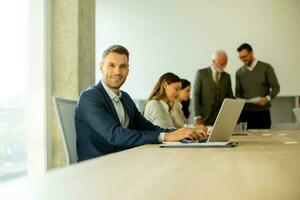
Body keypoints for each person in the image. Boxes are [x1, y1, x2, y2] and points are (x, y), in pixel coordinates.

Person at [75, 45, 207, 161]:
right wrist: (166, 136)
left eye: (123, 66)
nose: (117, 71)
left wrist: (185, 132)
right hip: (99, 166)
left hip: (124, 159)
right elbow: (115, 135)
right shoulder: (90, 97)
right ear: (101, 67)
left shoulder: (125, 98)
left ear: (128, 70)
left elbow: (150, 128)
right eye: (111, 65)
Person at [235, 43, 280, 129]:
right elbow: (238, 93)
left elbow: (276, 88)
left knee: (264, 139)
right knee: (247, 141)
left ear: (251, 53)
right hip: (246, 113)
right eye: (241, 58)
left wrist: (267, 99)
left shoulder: (266, 68)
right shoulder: (239, 72)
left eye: (245, 56)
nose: (243, 59)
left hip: (262, 112)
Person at [193, 50, 234, 126]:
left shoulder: (227, 76)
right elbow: (196, 95)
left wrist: (232, 114)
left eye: (225, 63)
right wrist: (197, 116)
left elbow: (230, 96)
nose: (224, 66)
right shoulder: (201, 73)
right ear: (213, 61)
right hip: (204, 117)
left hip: (221, 118)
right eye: (222, 63)